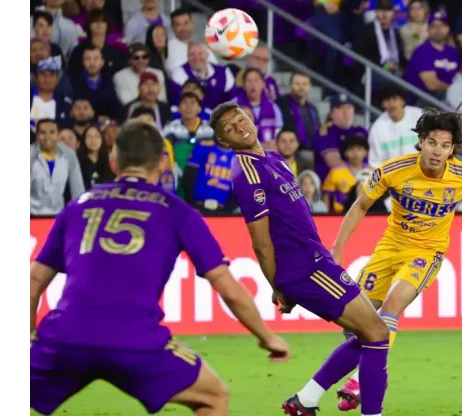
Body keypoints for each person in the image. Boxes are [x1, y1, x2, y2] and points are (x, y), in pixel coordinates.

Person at [30, 120, 290, 416]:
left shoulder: (77, 206)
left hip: (65, 337)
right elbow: (228, 289)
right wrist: (266, 336)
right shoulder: (178, 211)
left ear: (114, 161)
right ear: (163, 162)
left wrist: (28, 339)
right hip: (136, 342)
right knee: (214, 396)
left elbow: (33, 281)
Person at [332, 108, 462, 411]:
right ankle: (377, 370)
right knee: (353, 319)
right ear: (421, 141)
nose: (438, 151)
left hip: (426, 253)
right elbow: (360, 206)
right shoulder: (394, 169)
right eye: (433, 142)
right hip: (390, 248)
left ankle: (359, 379)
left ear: (452, 149)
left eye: (445, 146)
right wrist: (338, 247)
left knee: (393, 306)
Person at [208, 102, 391, 416]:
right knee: (376, 333)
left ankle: (306, 399)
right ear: (224, 142)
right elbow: (261, 242)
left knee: (369, 333)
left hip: (315, 260)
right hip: (306, 268)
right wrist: (279, 286)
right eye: (230, 128)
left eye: (241, 119)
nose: (240, 126)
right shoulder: (247, 173)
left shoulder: (273, 157)